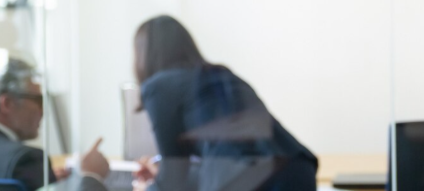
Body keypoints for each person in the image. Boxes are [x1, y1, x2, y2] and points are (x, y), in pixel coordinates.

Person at [130, 15, 318, 191]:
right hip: (298, 169)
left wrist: (146, 189)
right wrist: (161, 174)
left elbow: (173, 182)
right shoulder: (220, 74)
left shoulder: (157, 87)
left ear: (143, 57)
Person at [0, 58, 111, 191]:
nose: (43, 111)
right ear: (7, 104)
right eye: (38, 100)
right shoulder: (25, 160)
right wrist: (90, 176)